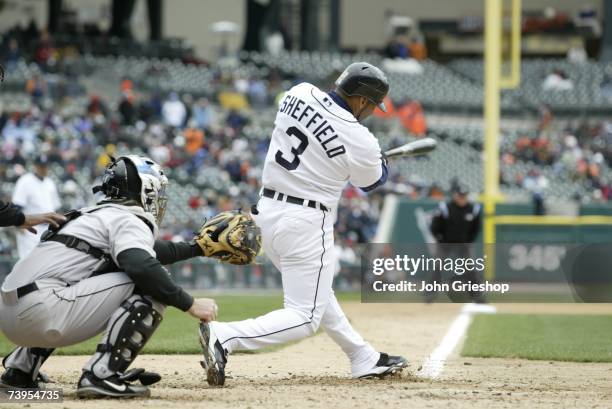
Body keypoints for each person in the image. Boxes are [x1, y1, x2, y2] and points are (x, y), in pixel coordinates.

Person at [198, 62, 407, 386]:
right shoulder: (360, 138)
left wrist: (368, 156)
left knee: (317, 296)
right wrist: (380, 162)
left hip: (266, 212)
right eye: (370, 106)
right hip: (306, 221)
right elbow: (371, 182)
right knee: (305, 316)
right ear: (363, 100)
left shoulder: (299, 92)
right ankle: (226, 337)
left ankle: (362, 356)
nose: (370, 113)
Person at [0, 155, 218, 398]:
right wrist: (191, 304)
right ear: (145, 189)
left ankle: (20, 370)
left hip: (11, 313)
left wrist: (196, 247)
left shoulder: (92, 214)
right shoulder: (129, 218)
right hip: (42, 311)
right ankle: (102, 374)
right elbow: (141, 266)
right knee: (150, 282)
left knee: (81, 278)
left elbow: (148, 251)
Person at [428, 182, 484, 303]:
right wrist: (440, 239)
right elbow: (434, 226)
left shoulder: (473, 209)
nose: (462, 198)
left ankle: (477, 296)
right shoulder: (445, 208)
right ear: (455, 195)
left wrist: (469, 240)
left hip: (463, 244)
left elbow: (476, 228)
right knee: (438, 267)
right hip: (446, 243)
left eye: (464, 196)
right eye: (460, 195)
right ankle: (430, 294)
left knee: (470, 269)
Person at [11, 155, 62, 259]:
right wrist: (19, 227)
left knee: (46, 263)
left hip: (48, 229)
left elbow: (56, 209)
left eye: (45, 166)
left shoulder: (50, 183)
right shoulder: (24, 181)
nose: (43, 169)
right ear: (35, 166)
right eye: (40, 166)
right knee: (28, 263)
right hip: (30, 230)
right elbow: (17, 207)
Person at [0, 199, 66, 232]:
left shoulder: (49, 182)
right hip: (29, 228)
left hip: (46, 227)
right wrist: (20, 219)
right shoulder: (25, 180)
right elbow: (18, 205)